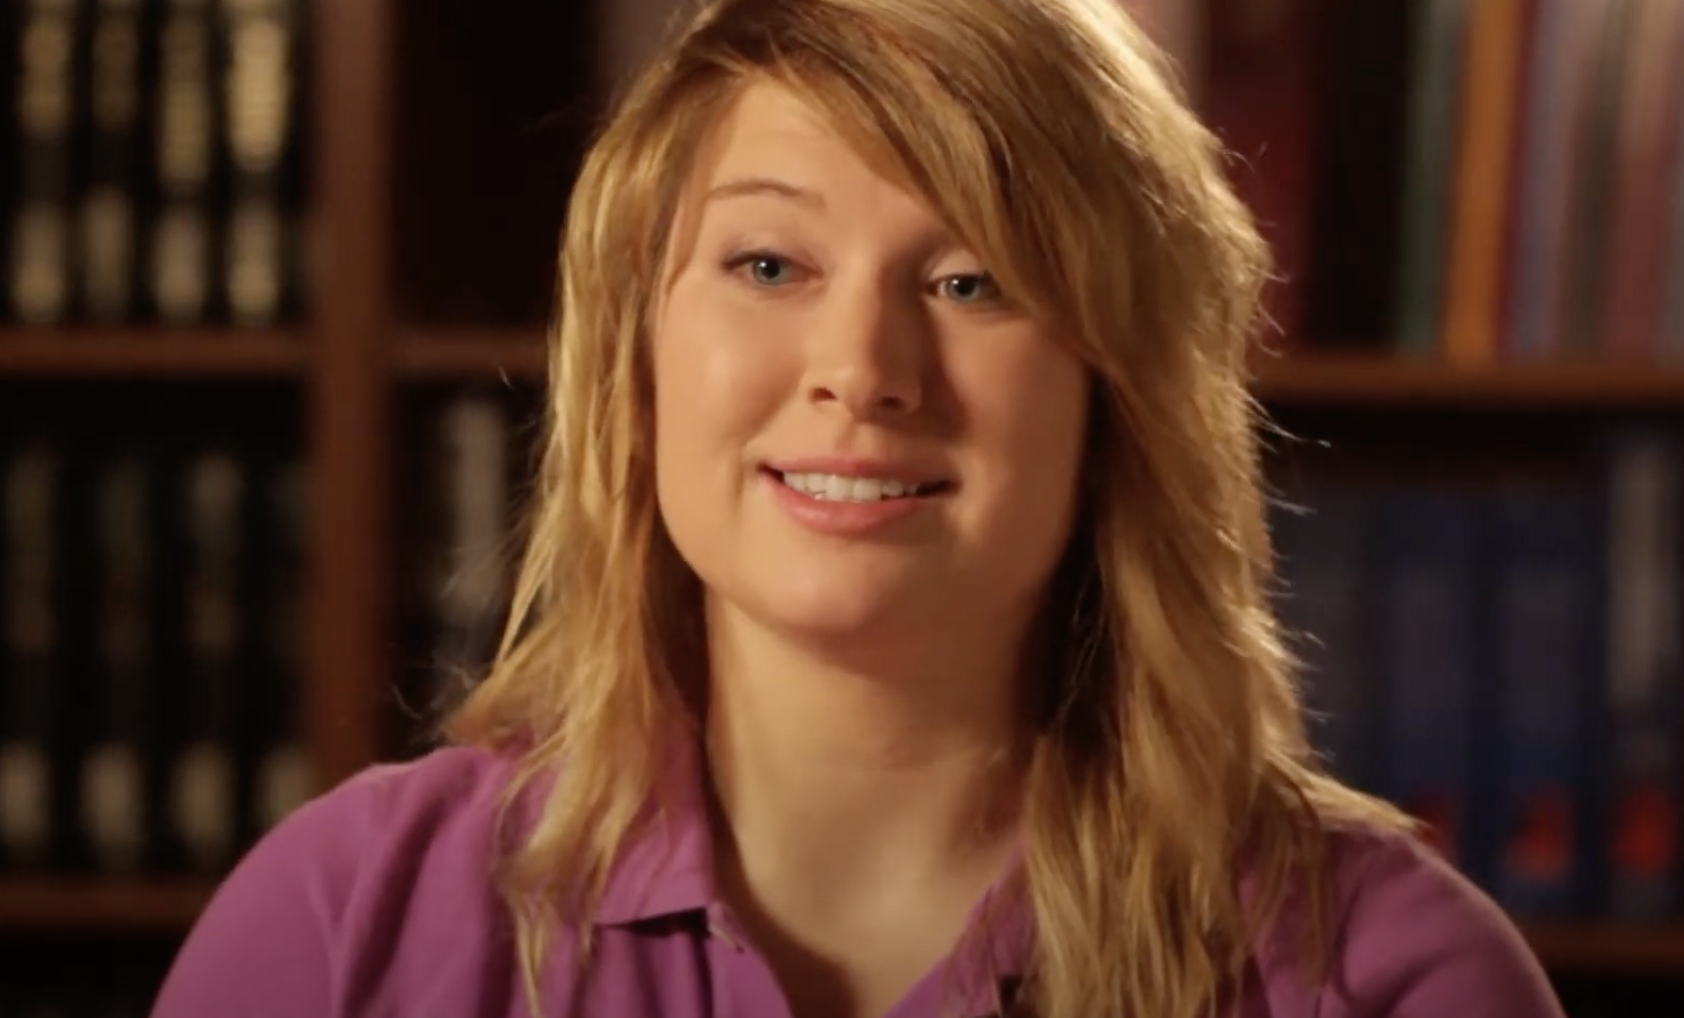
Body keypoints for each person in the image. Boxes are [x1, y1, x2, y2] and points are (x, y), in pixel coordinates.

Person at [151, 1, 1567, 1016]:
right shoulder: (345, 925)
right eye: (769, 264)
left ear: (1113, 394)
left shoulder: (1387, 973)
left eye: (972, 283)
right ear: (634, 356)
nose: (862, 373)